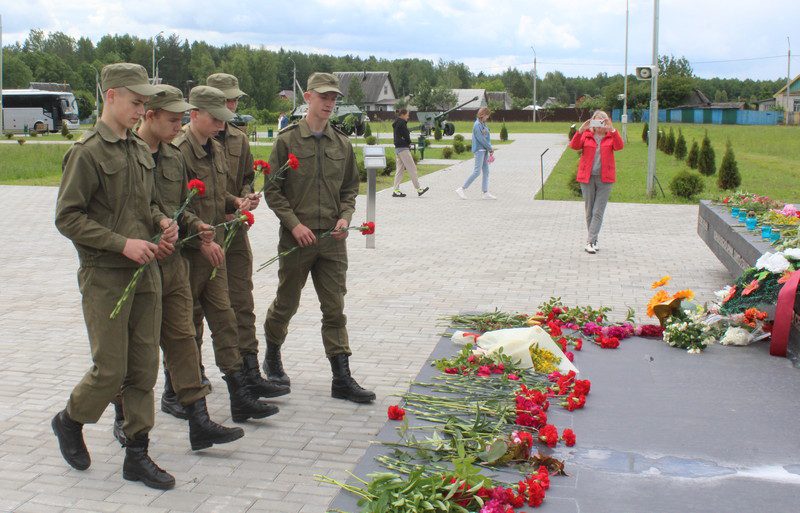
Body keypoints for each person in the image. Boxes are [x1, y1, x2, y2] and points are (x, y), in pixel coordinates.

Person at [52, 63, 177, 489]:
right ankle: (70, 420)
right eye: (136, 101)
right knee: (110, 370)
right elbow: (68, 218)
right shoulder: (86, 152)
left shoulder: (140, 150)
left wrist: (162, 225)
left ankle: (137, 453)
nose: (142, 110)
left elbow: (151, 205)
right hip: (106, 275)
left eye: (146, 103)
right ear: (111, 96)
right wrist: (121, 243)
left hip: (146, 274)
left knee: (144, 367)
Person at [114, 83, 244, 451]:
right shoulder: (126, 153)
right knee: (130, 349)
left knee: (184, 340)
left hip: (171, 264)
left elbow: (172, 206)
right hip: (133, 265)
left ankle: (199, 421)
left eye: (182, 117)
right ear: (150, 115)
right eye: (173, 118)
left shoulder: (172, 157)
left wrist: (194, 226)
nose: (179, 124)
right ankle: (121, 416)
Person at [175, 85, 287, 423]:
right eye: (217, 115)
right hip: (190, 248)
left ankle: (241, 394)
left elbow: (222, 188)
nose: (224, 122)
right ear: (195, 114)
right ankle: (178, 391)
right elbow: (173, 202)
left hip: (218, 242)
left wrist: (237, 202)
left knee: (226, 318)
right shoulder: (178, 149)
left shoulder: (219, 144)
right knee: (186, 324)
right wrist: (202, 228)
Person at [262, 72, 375, 404]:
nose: (329, 103)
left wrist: (346, 217)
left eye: (334, 98)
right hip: (297, 240)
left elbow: (350, 190)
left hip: (332, 241)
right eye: (323, 97)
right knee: (287, 303)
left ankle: (341, 377)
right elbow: (272, 190)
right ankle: (272, 354)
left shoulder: (341, 143)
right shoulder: (286, 142)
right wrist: (294, 225)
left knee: (335, 308)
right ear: (308, 97)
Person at [203, 72, 276, 391]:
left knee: (242, 300)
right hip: (201, 235)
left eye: (234, 99)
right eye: (227, 99)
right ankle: (186, 378)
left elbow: (247, 176)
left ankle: (249, 369)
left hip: (234, 231)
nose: (233, 104)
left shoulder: (238, 138)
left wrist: (247, 195)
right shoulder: (189, 141)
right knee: (191, 309)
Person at [568, 110, 624, 254]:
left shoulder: (611, 136)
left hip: (605, 178)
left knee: (598, 211)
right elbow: (573, 146)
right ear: (592, 121)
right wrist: (581, 129)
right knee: (589, 211)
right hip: (587, 177)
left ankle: (590, 241)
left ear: (606, 122)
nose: (599, 124)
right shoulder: (587, 135)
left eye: (602, 121)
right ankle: (593, 239)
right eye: (596, 121)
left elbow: (620, 146)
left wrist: (611, 129)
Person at [455, 107, 495, 200]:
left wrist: (489, 148)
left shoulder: (483, 124)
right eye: (487, 115)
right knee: (477, 172)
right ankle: (462, 189)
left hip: (484, 150)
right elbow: (481, 139)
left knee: (486, 171)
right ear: (483, 115)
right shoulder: (477, 125)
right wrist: (490, 148)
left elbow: (486, 137)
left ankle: (485, 192)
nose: (488, 117)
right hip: (479, 150)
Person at [391, 109, 428, 198]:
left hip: (398, 148)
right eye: (407, 115)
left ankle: (396, 190)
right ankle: (419, 189)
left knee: (399, 170)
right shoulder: (402, 123)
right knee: (412, 168)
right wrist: (409, 143)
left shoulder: (396, 122)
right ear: (402, 115)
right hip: (403, 149)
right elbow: (406, 136)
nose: (408, 117)